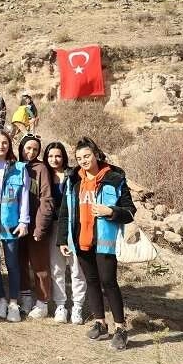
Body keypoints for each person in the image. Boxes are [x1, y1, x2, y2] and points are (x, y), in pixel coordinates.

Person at [57, 137, 136, 350]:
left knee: (109, 282)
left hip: (104, 241)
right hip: (81, 239)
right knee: (91, 281)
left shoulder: (114, 178)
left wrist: (110, 211)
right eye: (79, 158)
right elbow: (65, 212)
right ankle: (100, 323)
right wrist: (63, 239)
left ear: (96, 154)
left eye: (87, 156)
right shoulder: (73, 179)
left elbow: (130, 210)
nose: (83, 161)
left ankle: (120, 329)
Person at [0, 131, 30, 322]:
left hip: (9, 217)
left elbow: (24, 196)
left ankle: (13, 303)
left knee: (11, 262)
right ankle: (1, 299)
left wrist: (24, 221)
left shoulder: (19, 168)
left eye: (4, 143)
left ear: (9, 145)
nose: (1, 146)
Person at [43, 141, 85, 324]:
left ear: (64, 157)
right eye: (51, 156)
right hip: (53, 227)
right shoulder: (44, 175)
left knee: (77, 268)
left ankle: (78, 306)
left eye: (58, 156)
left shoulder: (73, 175)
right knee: (56, 268)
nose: (54, 159)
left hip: (73, 226)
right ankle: (60, 305)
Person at [17, 135, 54, 319]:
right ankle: (25, 296)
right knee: (20, 262)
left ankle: (42, 301)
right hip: (17, 224)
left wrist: (40, 227)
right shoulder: (16, 166)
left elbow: (46, 199)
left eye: (35, 149)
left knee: (39, 265)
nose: (30, 152)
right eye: (28, 148)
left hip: (35, 224)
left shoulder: (41, 169)